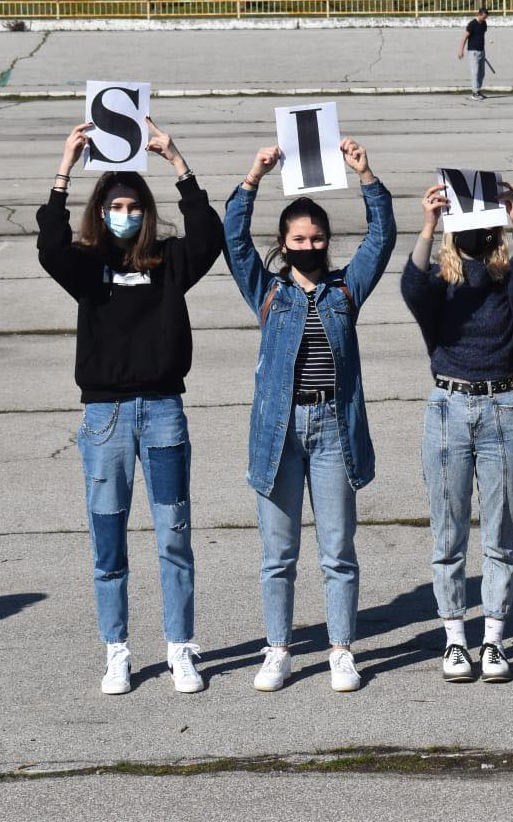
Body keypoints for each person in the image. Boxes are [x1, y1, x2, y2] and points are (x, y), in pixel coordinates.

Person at [36, 118, 223, 696]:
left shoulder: (168, 262)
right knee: (109, 540)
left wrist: (177, 161)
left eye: (134, 206)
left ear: (146, 211)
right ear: (102, 211)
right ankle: (116, 650)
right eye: (116, 206)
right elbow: (49, 247)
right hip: (106, 418)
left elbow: (208, 236)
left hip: (163, 412)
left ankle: (180, 648)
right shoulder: (87, 265)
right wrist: (64, 169)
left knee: (174, 536)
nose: (125, 213)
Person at [222, 139, 397, 694]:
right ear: (284, 244)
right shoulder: (268, 292)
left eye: (317, 238)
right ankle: (278, 650)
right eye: (298, 239)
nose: (309, 246)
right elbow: (233, 240)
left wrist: (366, 175)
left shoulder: (345, 289)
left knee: (337, 551)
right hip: (279, 433)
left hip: (333, 431)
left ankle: (341, 649)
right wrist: (253, 176)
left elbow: (381, 238)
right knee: (278, 554)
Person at [401, 180, 513, 683]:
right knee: (449, 533)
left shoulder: (506, 280)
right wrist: (428, 225)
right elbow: (412, 290)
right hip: (448, 407)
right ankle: (455, 639)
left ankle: (494, 640)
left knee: (500, 532)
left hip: (502, 405)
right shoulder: (442, 282)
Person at [456, 6, 490, 100]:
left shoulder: (484, 24)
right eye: (484, 17)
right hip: (473, 52)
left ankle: (478, 90)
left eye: (486, 17)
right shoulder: (472, 24)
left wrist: (482, 51)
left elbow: (480, 36)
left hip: (481, 51)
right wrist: (461, 50)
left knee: (481, 73)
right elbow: (464, 37)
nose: (485, 19)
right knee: (475, 72)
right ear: (479, 14)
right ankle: (474, 93)